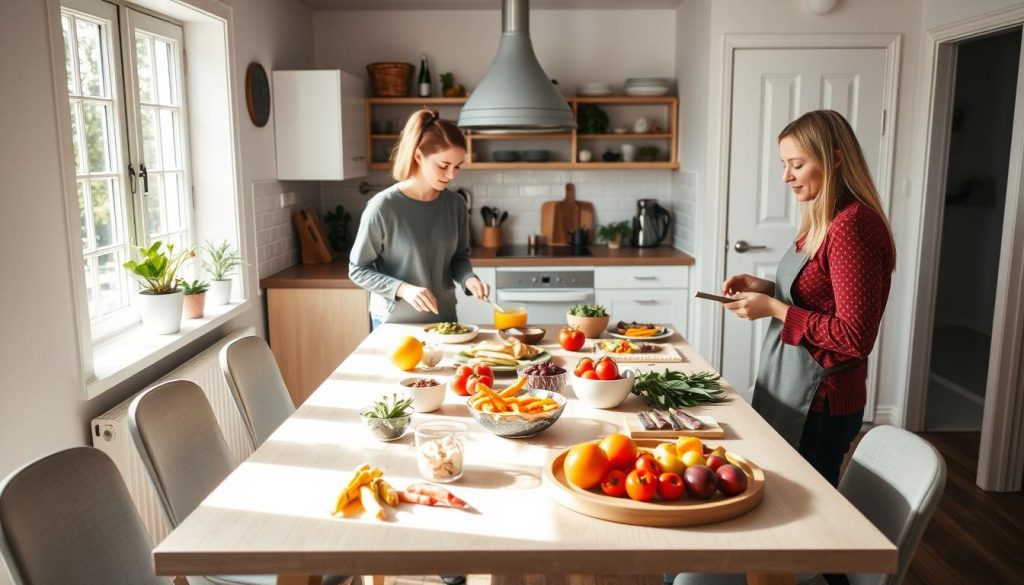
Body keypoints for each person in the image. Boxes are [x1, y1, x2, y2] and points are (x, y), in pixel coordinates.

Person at [722, 110, 896, 487]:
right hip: (795, 386)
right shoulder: (826, 219)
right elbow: (821, 297)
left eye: (796, 164)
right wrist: (767, 289)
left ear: (834, 159)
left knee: (810, 511)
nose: (786, 176)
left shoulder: (852, 226)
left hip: (821, 399)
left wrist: (773, 308)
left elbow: (854, 337)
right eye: (784, 164)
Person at [349, 109, 490, 328]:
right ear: (418, 156)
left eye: (457, 167)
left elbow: (459, 257)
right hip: (395, 324)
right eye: (443, 166)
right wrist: (403, 289)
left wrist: (468, 278)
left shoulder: (455, 205)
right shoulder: (383, 207)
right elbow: (358, 269)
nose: (451, 175)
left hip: (445, 321)